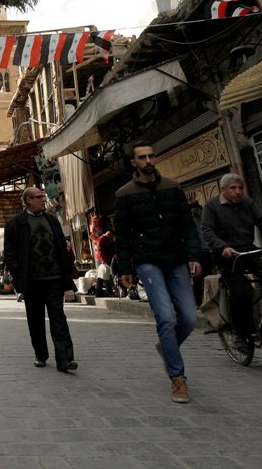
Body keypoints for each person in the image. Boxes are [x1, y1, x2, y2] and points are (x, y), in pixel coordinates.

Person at [115, 142, 202, 404]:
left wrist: (194, 255)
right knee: (165, 318)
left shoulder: (172, 187)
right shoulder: (125, 194)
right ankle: (178, 378)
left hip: (176, 258)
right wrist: (125, 269)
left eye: (151, 156)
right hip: (148, 261)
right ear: (134, 163)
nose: (148, 160)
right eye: (142, 157)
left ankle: (166, 346)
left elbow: (187, 225)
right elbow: (122, 236)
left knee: (190, 317)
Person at [201, 173, 262, 355]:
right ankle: (240, 334)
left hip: (248, 250)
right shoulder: (212, 206)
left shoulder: (247, 203)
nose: (238, 192)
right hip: (228, 255)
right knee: (240, 292)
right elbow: (207, 231)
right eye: (233, 188)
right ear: (223, 190)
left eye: (240, 188)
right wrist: (222, 247)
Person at [4, 187, 77, 372]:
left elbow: (62, 249)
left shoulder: (52, 220)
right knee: (36, 320)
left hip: (55, 279)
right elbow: (10, 254)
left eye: (43, 196)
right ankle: (41, 355)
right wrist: (18, 274)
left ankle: (64, 359)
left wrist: (68, 279)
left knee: (58, 317)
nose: (43, 199)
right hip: (32, 282)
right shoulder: (15, 224)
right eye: (39, 197)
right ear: (28, 200)